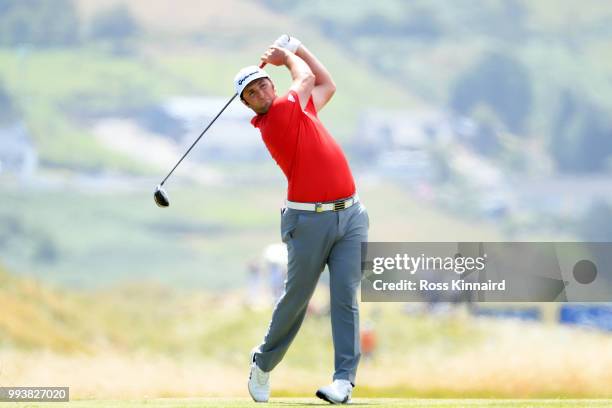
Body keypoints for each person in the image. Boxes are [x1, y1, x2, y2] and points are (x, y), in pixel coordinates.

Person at [234, 35, 369, 404]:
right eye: (251, 93)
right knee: (296, 299)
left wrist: (297, 46)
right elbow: (307, 78)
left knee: (345, 297)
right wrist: (287, 55)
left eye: (263, 84)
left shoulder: (300, 109)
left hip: (351, 215)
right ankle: (262, 364)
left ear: (272, 86)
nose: (259, 92)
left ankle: (343, 381)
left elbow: (327, 84)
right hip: (308, 222)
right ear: (247, 104)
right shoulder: (276, 118)